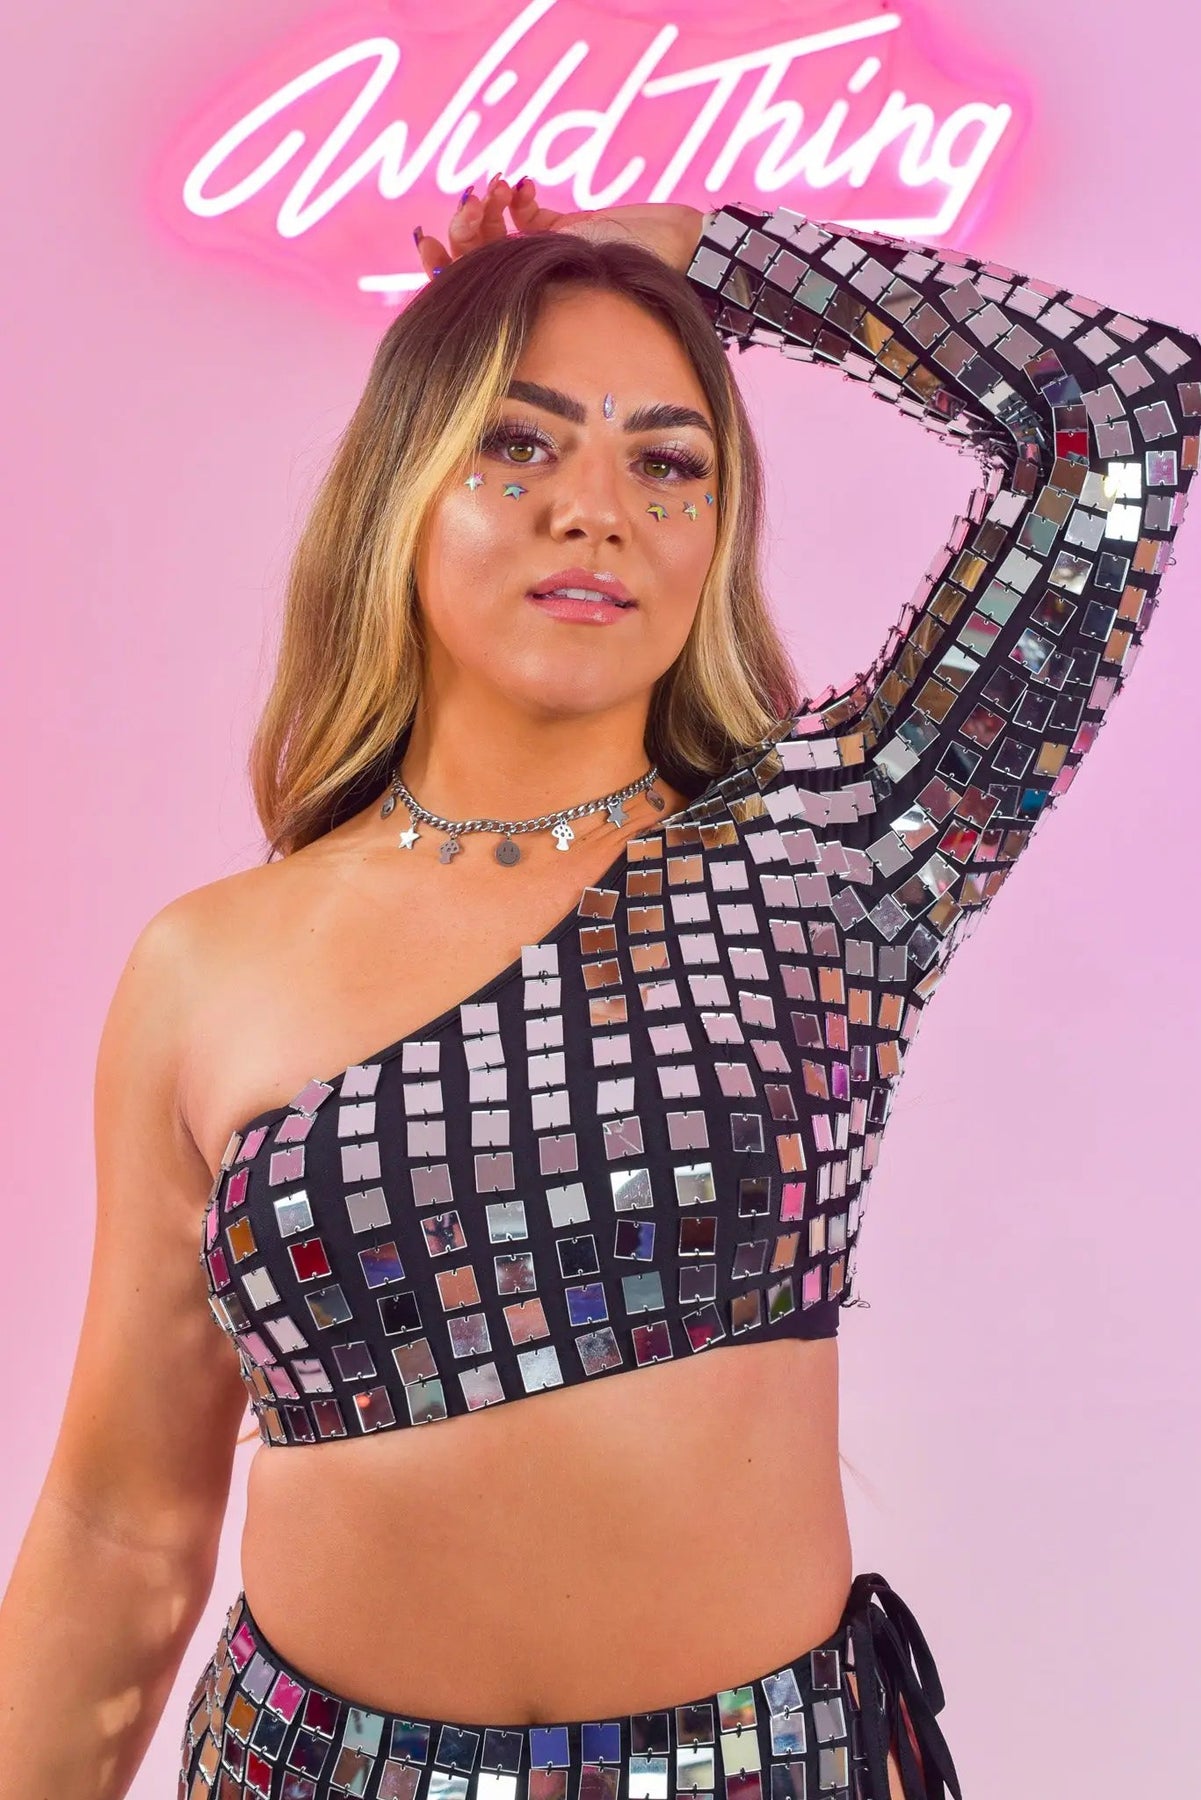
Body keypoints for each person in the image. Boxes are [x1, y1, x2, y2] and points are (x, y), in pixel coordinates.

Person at [0, 175, 1196, 1800]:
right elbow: (121, 1525)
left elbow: (1118, 412)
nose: (596, 509)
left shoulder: (836, 853)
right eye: (520, 442)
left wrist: (697, 255)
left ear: (716, 530)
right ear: (401, 487)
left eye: (666, 461)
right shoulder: (205, 966)